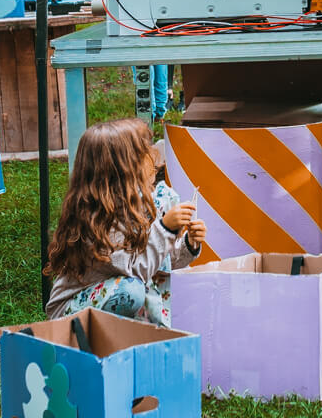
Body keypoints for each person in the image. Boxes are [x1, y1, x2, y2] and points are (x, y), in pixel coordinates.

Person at [45, 119, 207, 324]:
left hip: (119, 301)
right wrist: (165, 229)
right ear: (122, 171)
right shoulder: (98, 220)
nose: (155, 157)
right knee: (131, 291)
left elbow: (157, 263)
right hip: (74, 311)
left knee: (144, 293)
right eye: (144, 154)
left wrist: (188, 245)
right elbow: (136, 271)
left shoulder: (143, 202)